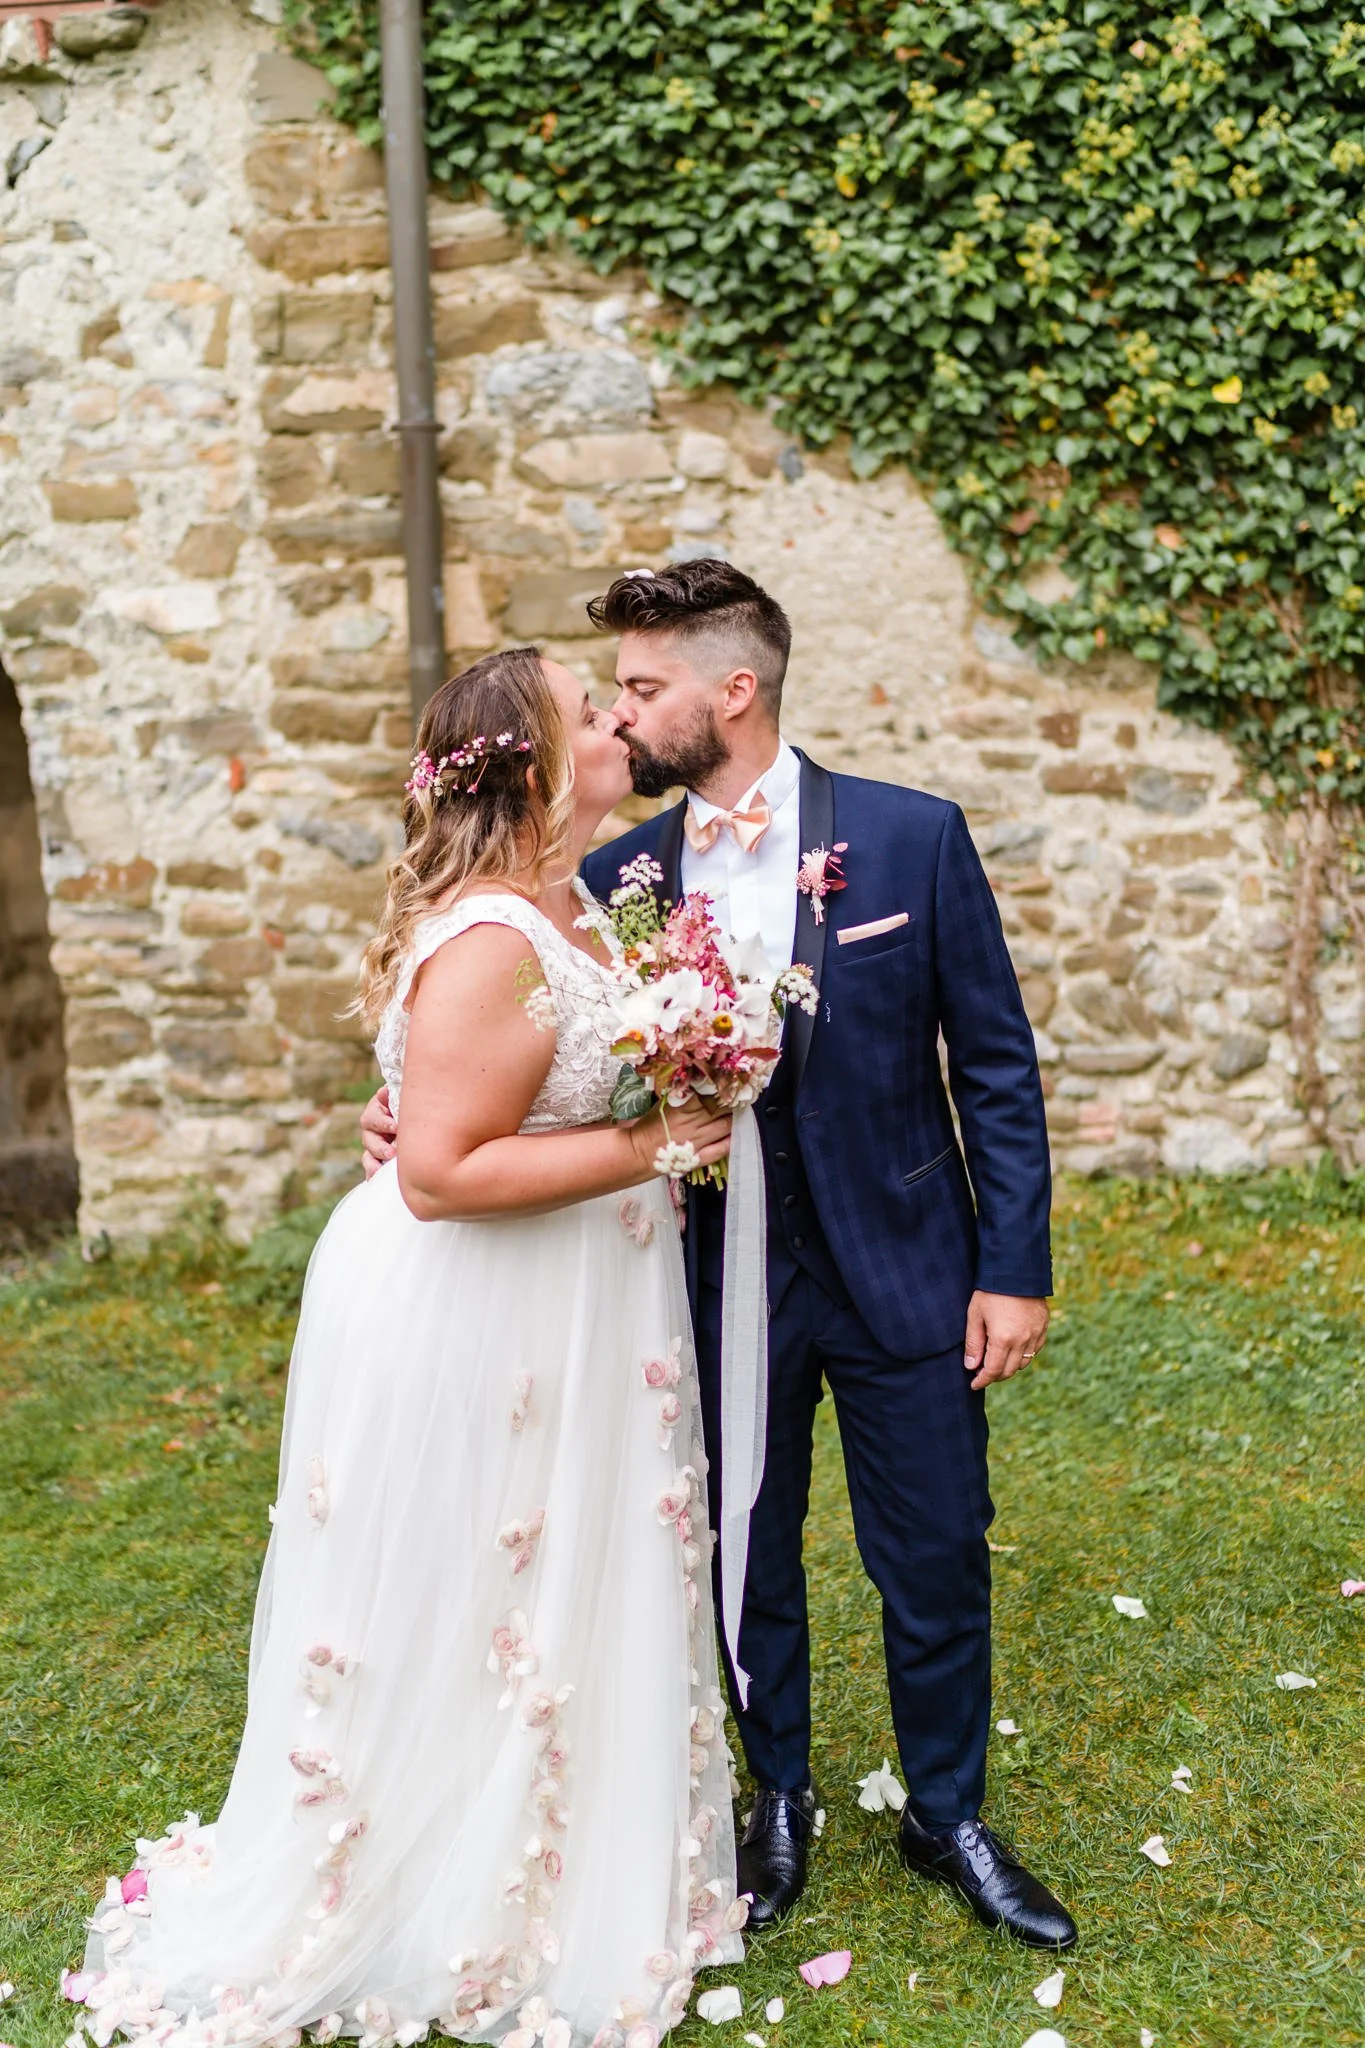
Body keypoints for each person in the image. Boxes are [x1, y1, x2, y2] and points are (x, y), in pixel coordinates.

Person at [362, 562, 1078, 1952]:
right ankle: (780, 1798)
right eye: (612, 695)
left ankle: (951, 1812)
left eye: (641, 689)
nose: (620, 722)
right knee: (739, 1552)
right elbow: (534, 1047)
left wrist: (1016, 1266)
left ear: (730, 690)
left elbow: (995, 1066)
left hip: (908, 1265)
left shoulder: (912, 839)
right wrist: (407, 1108)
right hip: (695, 1273)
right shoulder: (620, 879)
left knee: (934, 1548)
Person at [67, 648, 746, 2048]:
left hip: (564, 1298)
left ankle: (541, 1852)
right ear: (544, 764)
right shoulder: (495, 934)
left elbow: (463, 1108)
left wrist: (691, 1061)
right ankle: (437, 1879)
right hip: (477, 1303)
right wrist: (654, 1142)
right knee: (470, 1582)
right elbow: (437, 1171)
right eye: (592, 710)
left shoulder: (574, 907)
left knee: (541, 1578)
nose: (621, 722)